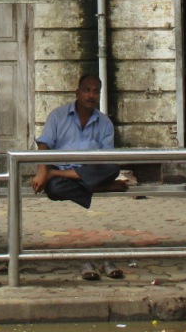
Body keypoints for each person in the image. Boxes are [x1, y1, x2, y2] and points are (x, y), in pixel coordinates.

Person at [32, 74, 128, 280]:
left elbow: (107, 158)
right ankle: (101, 187)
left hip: (84, 170)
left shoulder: (105, 123)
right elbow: (43, 145)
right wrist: (42, 171)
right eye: (86, 90)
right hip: (64, 174)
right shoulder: (57, 116)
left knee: (112, 167)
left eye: (95, 91)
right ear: (77, 92)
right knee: (54, 189)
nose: (91, 95)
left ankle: (60, 175)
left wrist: (52, 173)